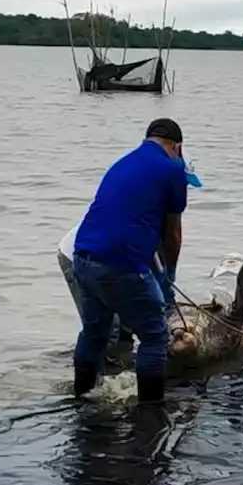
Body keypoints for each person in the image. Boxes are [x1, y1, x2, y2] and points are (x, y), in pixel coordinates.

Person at [71, 118, 190, 403]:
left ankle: (81, 397)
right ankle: (151, 412)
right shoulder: (174, 168)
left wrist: (155, 271)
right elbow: (172, 233)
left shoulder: (123, 162)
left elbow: (131, 225)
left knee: (95, 331)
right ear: (177, 147)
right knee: (154, 336)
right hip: (119, 264)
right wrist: (169, 274)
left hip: (82, 257)